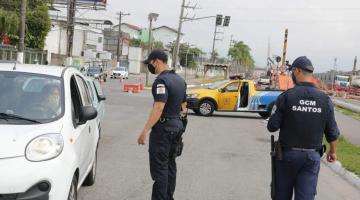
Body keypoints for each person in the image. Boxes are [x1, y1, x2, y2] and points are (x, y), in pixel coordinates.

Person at [267, 56, 340, 200]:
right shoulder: (325, 100)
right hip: (311, 158)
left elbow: (272, 126)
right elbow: (332, 132)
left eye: (292, 71)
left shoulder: (286, 97)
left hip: (286, 157)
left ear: (297, 71)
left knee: (281, 195)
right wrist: (333, 152)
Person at [137, 49, 187, 200]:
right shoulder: (180, 80)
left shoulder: (161, 81)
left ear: (157, 61)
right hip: (176, 126)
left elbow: (159, 107)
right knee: (170, 165)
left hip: (163, 129)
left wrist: (145, 130)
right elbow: (184, 106)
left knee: (160, 169)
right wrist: (180, 127)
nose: (149, 67)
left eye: (149, 63)